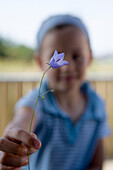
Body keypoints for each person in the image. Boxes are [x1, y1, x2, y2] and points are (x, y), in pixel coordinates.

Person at [0, 14, 110, 170]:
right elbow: (22, 120)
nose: (67, 66)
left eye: (77, 56)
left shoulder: (97, 105)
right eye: (56, 56)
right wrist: (13, 139)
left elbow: (96, 164)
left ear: (89, 58)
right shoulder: (36, 101)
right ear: (40, 62)